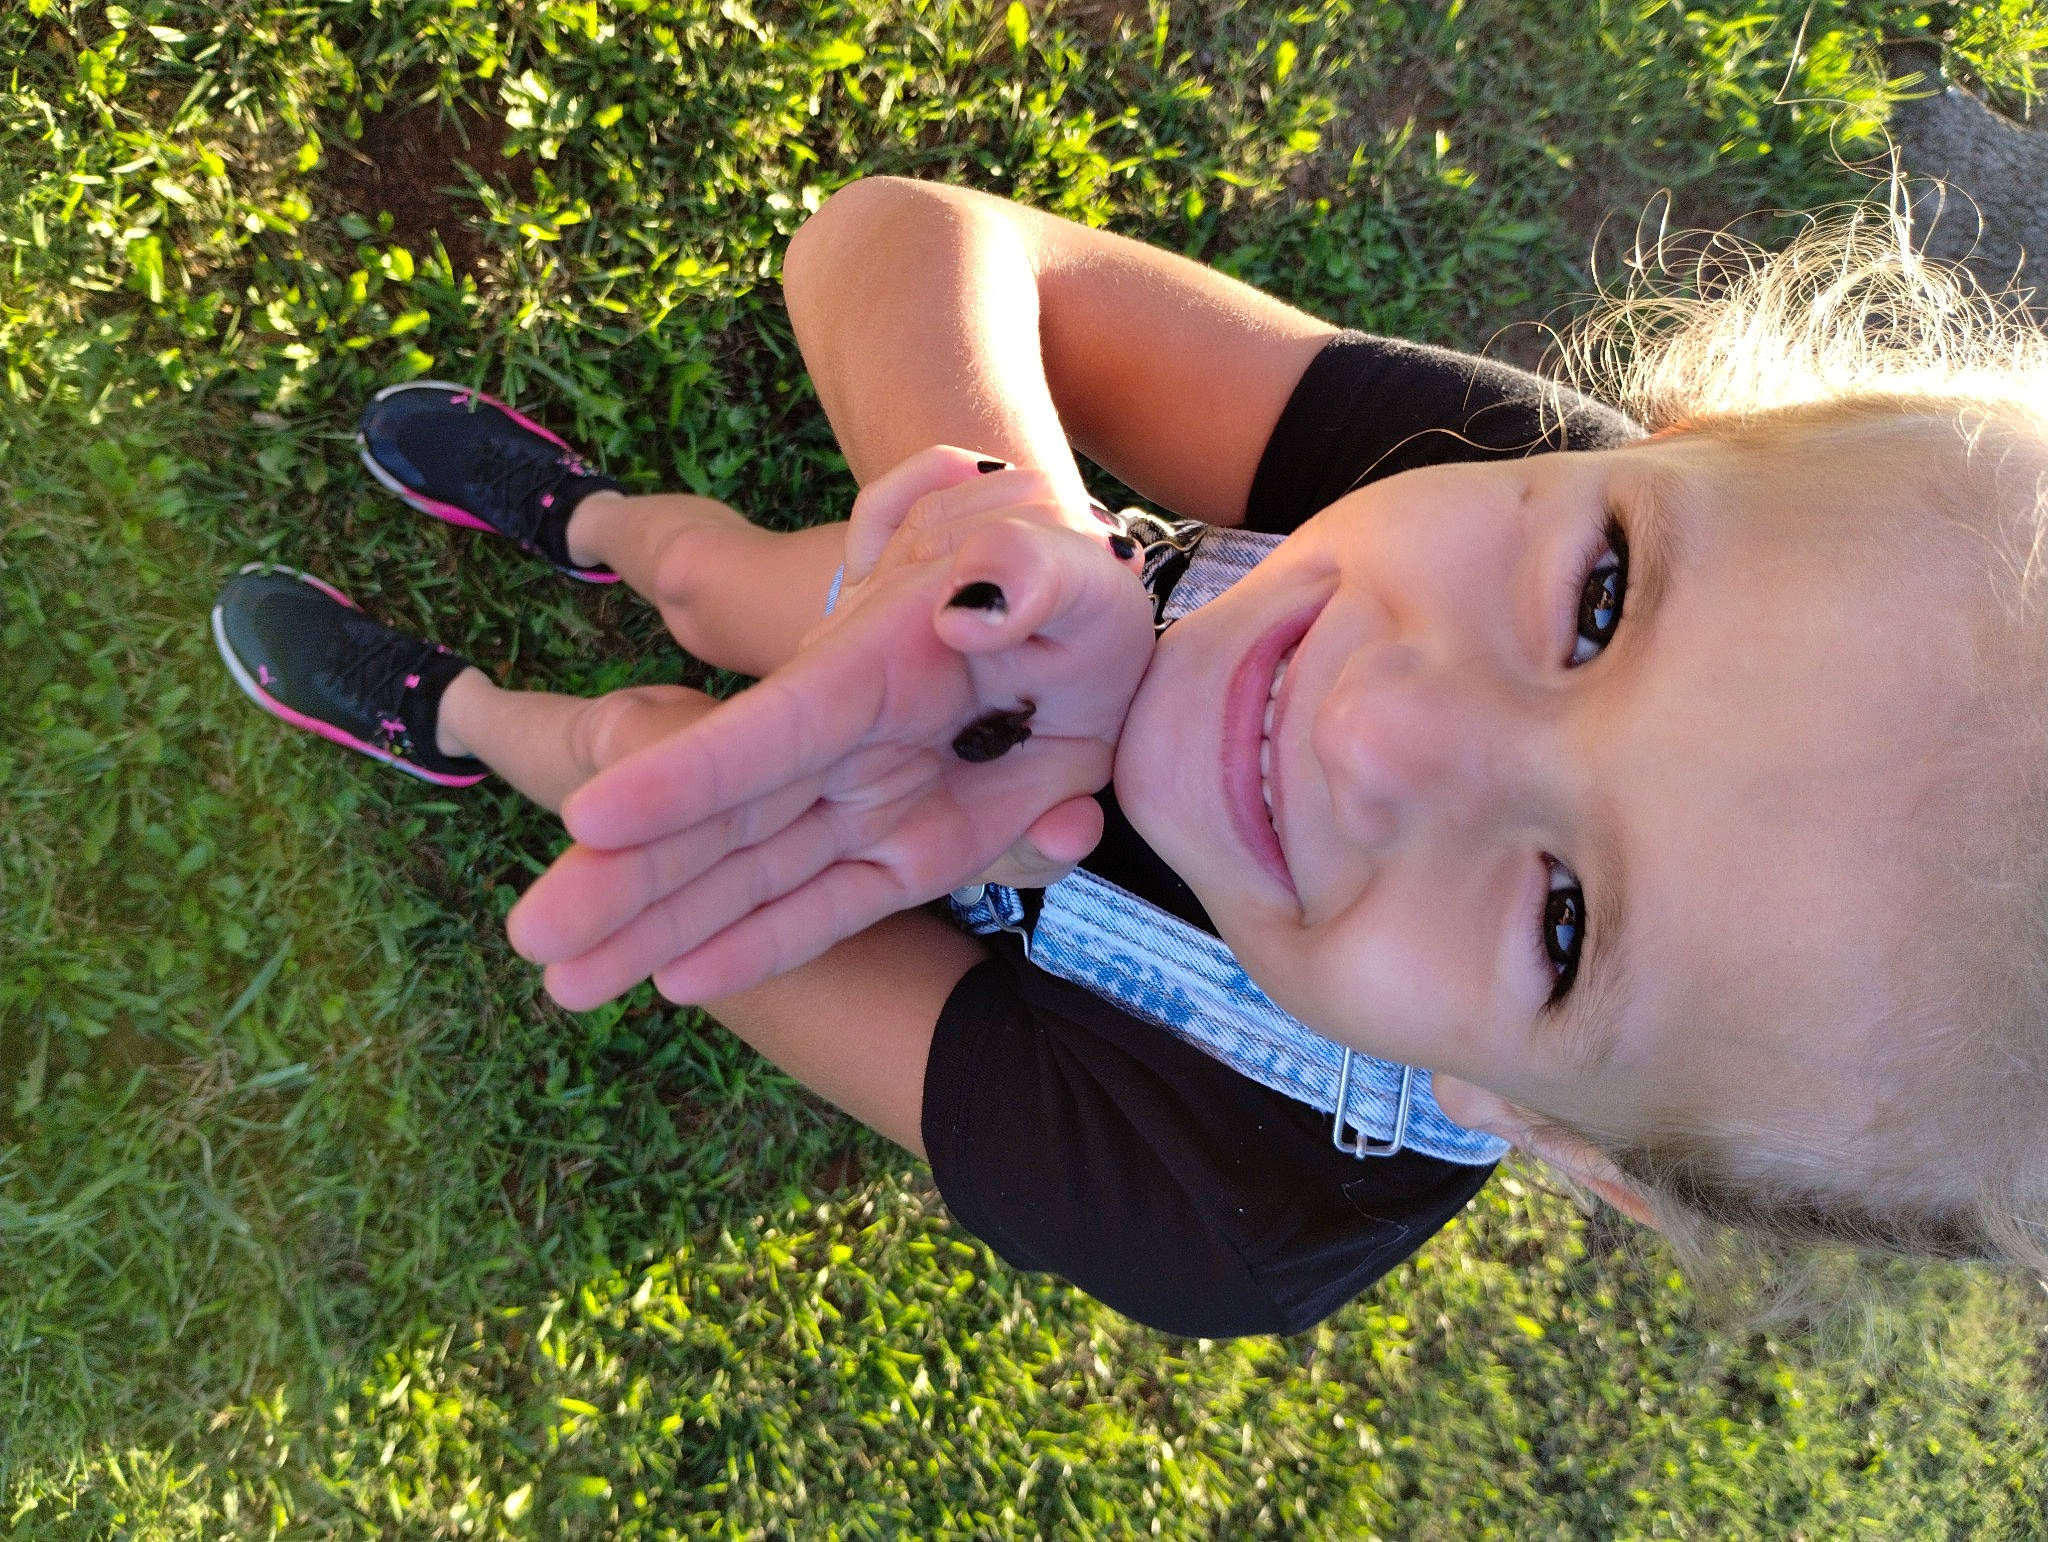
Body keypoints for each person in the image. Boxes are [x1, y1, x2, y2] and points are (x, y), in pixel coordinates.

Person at [216, 179, 2048, 1335]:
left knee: (649, 757)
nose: (1387, 726)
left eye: (1564, 924)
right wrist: (982, 519)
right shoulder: (1472, 447)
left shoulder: (1231, 1211)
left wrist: (707, 796)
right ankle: (600, 522)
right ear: (1696, 427)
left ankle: (457, 718)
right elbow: (899, 238)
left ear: (1571, 1144)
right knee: (715, 590)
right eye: (1600, 596)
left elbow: (754, 930)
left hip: (901, 902)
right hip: (958, 582)